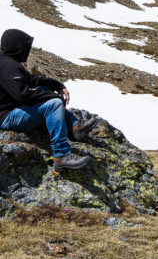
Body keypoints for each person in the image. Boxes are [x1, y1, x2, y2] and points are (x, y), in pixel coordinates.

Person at [0, 29, 96, 171]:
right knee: (54, 104)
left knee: (46, 91)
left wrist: (57, 85)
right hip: (6, 117)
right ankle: (62, 156)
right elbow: (23, 95)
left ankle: (75, 127)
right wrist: (55, 97)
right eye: (26, 47)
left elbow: (33, 80)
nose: (28, 50)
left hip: (13, 109)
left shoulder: (9, 62)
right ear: (18, 48)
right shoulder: (7, 66)